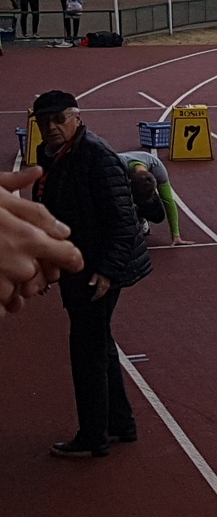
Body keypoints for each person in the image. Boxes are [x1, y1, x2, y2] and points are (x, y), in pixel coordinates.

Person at [30, 91, 152, 458]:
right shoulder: (52, 155)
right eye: (44, 122)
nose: (52, 127)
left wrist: (107, 272)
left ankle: (93, 436)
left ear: (77, 118)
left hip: (96, 268)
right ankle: (119, 423)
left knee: (87, 349)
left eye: (59, 119)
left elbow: (123, 221)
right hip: (78, 263)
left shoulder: (96, 156)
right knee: (98, 343)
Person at [1, 167, 84, 312]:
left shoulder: (96, 161)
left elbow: (119, 219)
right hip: (62, 256)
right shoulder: (51, 160)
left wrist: (108, 270)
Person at [118, 149, 185, 246]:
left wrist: (176, 235)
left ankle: (142, 218)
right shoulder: (116, 167)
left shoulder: (157, 169)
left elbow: (168, 200)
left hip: (138, 185)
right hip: (122, 183)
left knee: (157, 215)